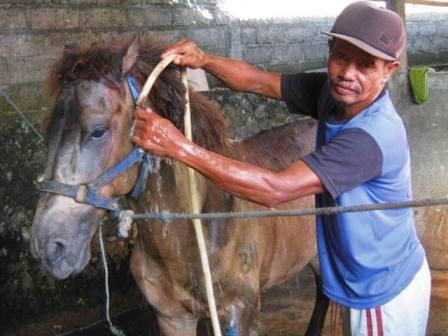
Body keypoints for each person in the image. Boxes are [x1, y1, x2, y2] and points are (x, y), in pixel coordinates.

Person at [133, 1, 430, 335]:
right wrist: (206, 60)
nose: (348, 73)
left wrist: (178, 146)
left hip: (381, 291)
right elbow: (258, 82)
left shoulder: (369, 137)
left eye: (366, 65)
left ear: (388, 70)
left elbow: (276, 189)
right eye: (341, 57)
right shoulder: (335, 94)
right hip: (360, 277)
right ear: (330, 50)